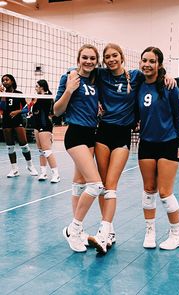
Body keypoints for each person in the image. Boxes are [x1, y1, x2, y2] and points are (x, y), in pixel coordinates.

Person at [87, 43, 176, 254]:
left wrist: (169, 76)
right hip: (103, 132)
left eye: (114, 55)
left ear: (122, 57)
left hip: (123, 135)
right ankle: (107, 230)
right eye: (107, 56)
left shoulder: (135, 76)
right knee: (101, 185)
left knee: (111, 184)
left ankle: (104, 231)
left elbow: (154, 73)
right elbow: (83, 70)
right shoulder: (100, 74)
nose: (111, 59)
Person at [54, 44, 103, 252]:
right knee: (96, 185)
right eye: (85, 57)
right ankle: (72, 230)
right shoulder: (70, 78)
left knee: (80, 183)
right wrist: (68, 91)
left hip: (91, 133)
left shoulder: (96, 80)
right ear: (78, 58)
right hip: (75, 134)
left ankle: (79, 230)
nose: (89, 61)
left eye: (93, 58)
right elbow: (57, 111)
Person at [136, 46, 179, 250]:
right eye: (144, 61)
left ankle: (177, 234)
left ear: (159, 64)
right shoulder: (138, 84)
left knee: (165, 192)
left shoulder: (170, 87)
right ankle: (150, 232)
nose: (147, 65)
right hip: (146, 143)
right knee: (149, 190)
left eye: (151, 61)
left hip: (168, 143)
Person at [0, 74, 38, 178]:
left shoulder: (19, 93)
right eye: (3, 80)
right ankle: (14, 169)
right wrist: (3, 94)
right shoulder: (2, 94)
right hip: (6, 122)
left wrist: (17, 111)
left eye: (7, 80)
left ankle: (30, 166)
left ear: (12, 81)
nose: (4, 82)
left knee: (24, 144)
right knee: (10, 147)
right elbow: (2, 107)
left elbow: (26, 109)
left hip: (18, 121)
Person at [30, 79, 60, 183]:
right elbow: (33, 110)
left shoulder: (47, 97)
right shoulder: (36, 97)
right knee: (41, 151)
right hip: (36, 125)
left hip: (45, 125)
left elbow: (50, 111)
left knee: (47, 151)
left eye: (37, 86)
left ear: (42, 87)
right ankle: (43, 173)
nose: (35, 88)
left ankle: (56, 174)